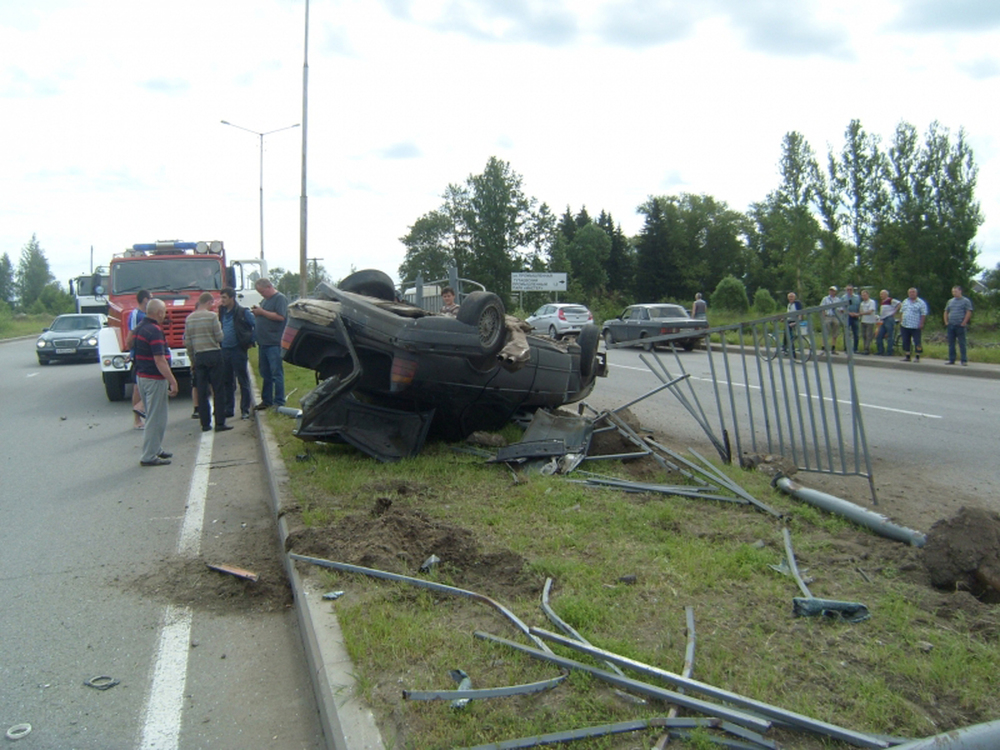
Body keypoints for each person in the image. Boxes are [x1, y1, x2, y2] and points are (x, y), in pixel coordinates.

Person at [134, 299, 178, 466]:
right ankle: (149, 455)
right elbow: (159, 359)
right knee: (156, 417)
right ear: (159, 312)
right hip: (154, 378)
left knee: (155, 415)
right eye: (164, 311)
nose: (165, 314)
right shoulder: (154, 331)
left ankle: (156, 448)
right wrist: (172, 381)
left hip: (142, 376)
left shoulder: (140, 328)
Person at [184, 292, 231, 432]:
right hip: (213, 354)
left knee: (202, 391)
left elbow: (188, 343)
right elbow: (220, 337)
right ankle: (220, 422)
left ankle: (205, 424)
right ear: (209, 302)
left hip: (199, 356)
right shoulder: (212, 316)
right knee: (218, 389)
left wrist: (192, 360)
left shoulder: (189, 319)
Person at [219, 287, 256, 420]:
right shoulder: (221, 311)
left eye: (224, 298)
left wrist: (251, 341)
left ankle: (245, 409)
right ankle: (229, 408)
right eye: (221, 297)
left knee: (243, 380)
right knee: (227, 381)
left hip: (238, 349)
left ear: (231, 298)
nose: (221, 300)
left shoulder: (242, 312)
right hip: (225, 350)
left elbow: (254, 325)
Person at [252, 278, 288, 411]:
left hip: (274, 342)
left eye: (262, 292)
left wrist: (262, 312)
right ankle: (266, 400)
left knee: (276, 372)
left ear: (269, 287)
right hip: (263, 342)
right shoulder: (265, 301)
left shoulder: (280, 299)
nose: (262, 295)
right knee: (265, 373)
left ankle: (279, 401)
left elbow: (281, 317)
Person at [124, 290, 151, 429]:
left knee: (145, 385)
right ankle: (137, 420)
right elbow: (131, 335)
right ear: (145, 299)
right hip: (139, 356)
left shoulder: (145, 315)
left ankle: (144, 415)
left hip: (146, 355)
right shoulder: (136, 315)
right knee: (137, 387)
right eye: (150, 298)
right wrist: (132, 352)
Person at [943, 285, 973, 366]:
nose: (954, 293)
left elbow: (969, 311)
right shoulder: (950, 301)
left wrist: (964, 322)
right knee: (951, 343)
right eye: (953, 292)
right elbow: (946, 311)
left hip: (960, 325)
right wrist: (946, 322)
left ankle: (964, 360)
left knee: (962, 343)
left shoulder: (966, 301)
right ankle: (951, 359)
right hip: (951, 325)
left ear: (960, 291)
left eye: (955, 291)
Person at [898, 287, 929, 362]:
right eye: (910, 292)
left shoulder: (921, 302)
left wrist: (921, 323)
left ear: (916, 293)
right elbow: (902, 311)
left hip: (915, 325)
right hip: (905, 325)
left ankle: (917, 356)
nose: (911, 294)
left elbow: (923, 314)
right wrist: (901, 320)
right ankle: (907, 355)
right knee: (905, 340)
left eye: (913, 292)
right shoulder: (905, 301)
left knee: (917, 341)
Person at [875, 290, 900, 356]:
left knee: (890, 335)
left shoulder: (890, 300)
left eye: (882, 294)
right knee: (879, 335)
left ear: (886, 294)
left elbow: (899, 304)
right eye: (880, 294)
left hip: (889, 319)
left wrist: (894, 312)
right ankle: (880, 350)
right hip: (883, 319)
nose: (881, 295)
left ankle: (889, 351)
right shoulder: (882, 302)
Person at [820, 286, 841, 353]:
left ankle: (833, 347)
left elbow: (840, 309)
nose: (832, 292)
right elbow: (822, 308)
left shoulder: (838, 300)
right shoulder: (825, 299)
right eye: (830, 290)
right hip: (828, 316)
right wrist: (823, 317)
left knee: (835, 332)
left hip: (835, 316)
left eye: (833, 291)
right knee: (826, 331)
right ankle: (823, 346)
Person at [842, 284, 861, 353]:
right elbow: (842, 308)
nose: (849, 291)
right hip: (847, 316)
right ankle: (846, 348)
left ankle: (855, 348)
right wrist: (849, 313)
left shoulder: (857, 297)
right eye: (848, 290)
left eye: (850, 289)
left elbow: (859, 306)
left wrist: (858, 314)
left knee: (856, 333)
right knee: (846, 333)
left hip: (855, 316)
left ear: (853, 290)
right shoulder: (843, 297)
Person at [858, 289, 877, 355]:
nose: (864, 296)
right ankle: (864, 348)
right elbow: (860, 311)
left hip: (870, 321)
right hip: (863, 320)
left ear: (868, 295)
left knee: (868, 335)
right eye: (862, 295)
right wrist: (860, 314)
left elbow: (870, 311)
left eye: (865, 295)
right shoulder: (862, 303)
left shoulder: (872, 302)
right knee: (864, 335)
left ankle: (867, 349)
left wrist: (861, 313)